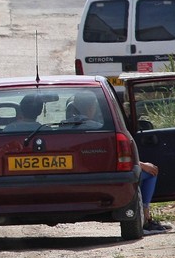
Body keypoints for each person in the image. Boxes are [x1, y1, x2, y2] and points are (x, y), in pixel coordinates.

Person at [70, 93, 169, 234]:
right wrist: (142, 165)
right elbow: (119, 159)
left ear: (74, 107)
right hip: (106, 180)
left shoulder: (65, 127)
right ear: (92, 107)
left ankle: (145, 216)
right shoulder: (100, 128)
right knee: (150, 172)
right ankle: (146, 217)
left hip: (78, 181)